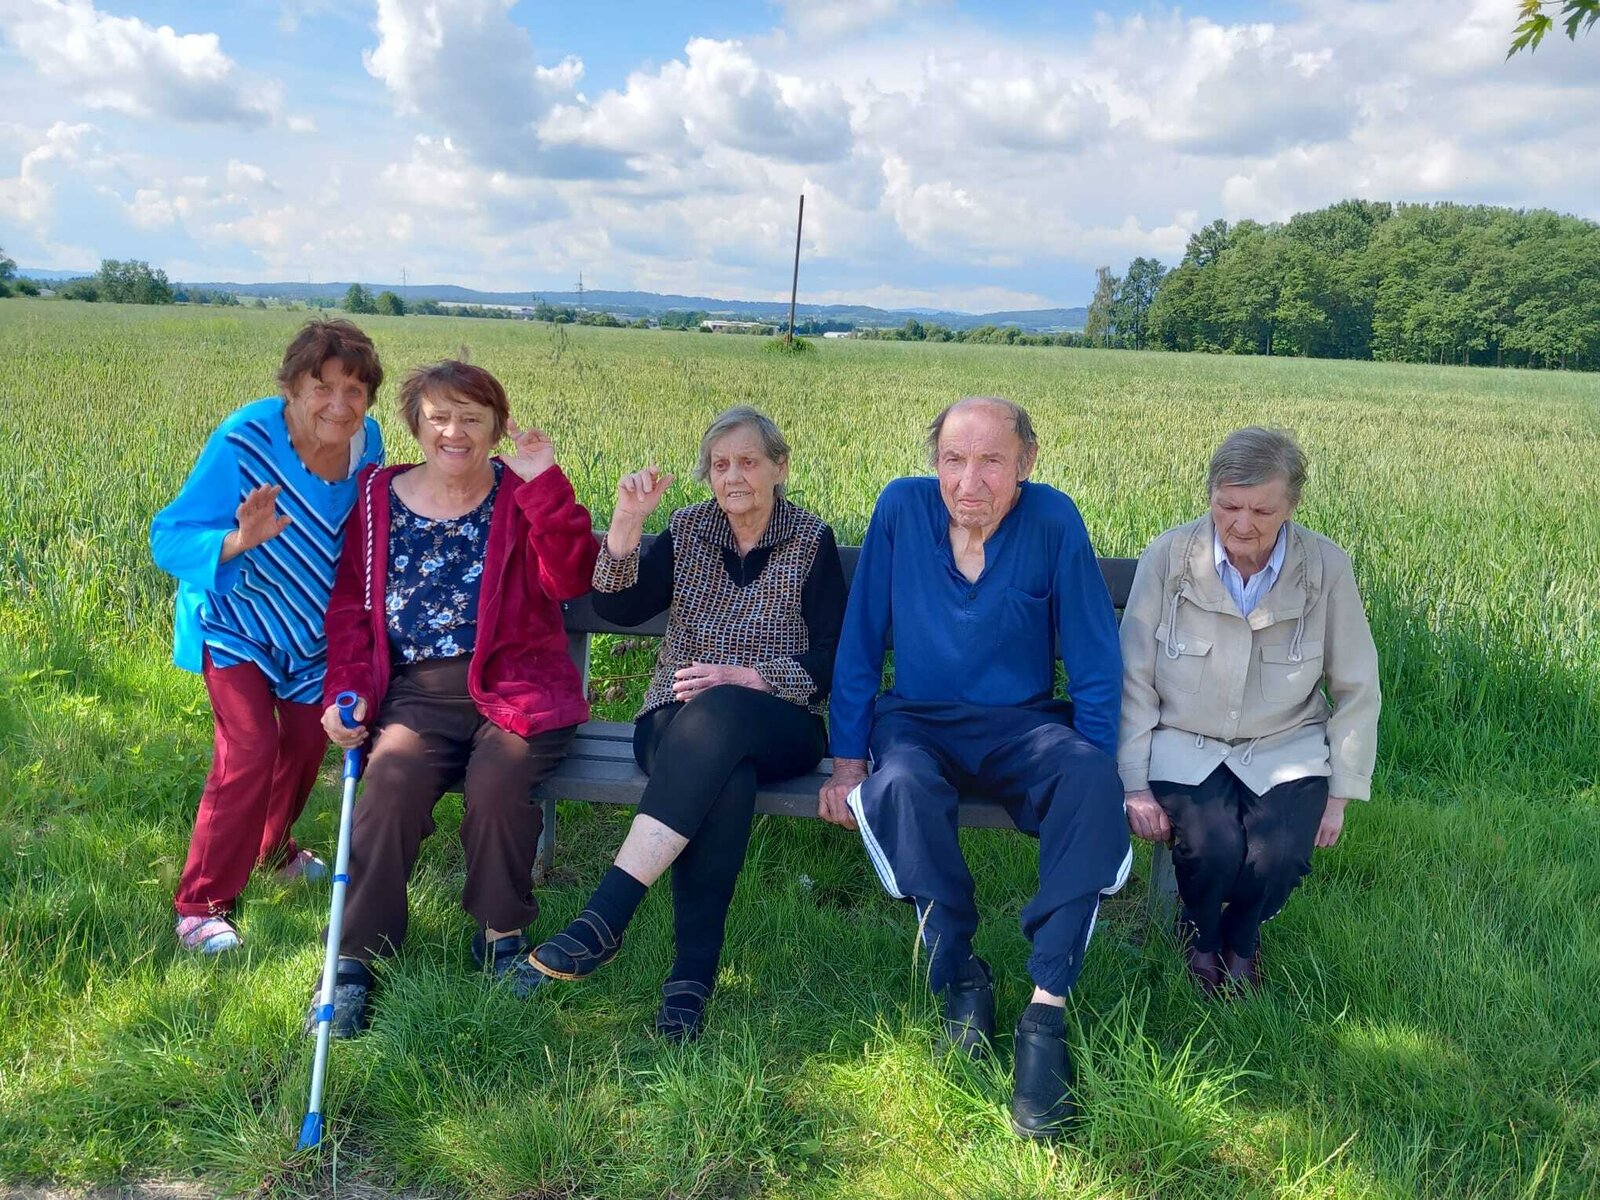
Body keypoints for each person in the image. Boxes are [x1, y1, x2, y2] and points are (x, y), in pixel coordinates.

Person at [818, 396, 1130, 1140]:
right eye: (953, 460)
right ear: (935, 463)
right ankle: (960, 973)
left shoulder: (1053, 520)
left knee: (1090, 781)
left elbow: (1094, 657)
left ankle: (1045, 1012)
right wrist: (847, 760)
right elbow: (859, 641)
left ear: (1026, 463)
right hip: (918, 722)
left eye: (992, 460)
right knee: (898, 787)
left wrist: (1095, 764)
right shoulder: (901, 509)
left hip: (1024, 726)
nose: (969, 481)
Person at [528, 407, 846, 1043]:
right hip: (672, 722)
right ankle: (690, 983)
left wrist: (751, 677)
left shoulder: (812, 540)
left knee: (723, 710)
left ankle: (607, 915)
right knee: (725, 773)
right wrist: (627, 522)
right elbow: (618, 609)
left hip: (781, 720)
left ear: (779, 467)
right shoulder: (689, 529)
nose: (733, 477)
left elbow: (834, 655)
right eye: (720, 465)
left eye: (748, 462)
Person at [312, 360, 597, 1035]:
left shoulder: (522, 491)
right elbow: (350, 610)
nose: (454, 432)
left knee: (498, 781)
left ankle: (501, 936)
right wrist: (344, 690)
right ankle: (355, 955)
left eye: (472, 418)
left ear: (497, 427)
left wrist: (545, 485)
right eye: (439, 417)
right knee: (389, 782)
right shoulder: (377, 497)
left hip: (518, 685)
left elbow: (570, 578)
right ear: (415, 425)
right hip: (417, 693)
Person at [151, 318, 386, 955]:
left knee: (309, 743)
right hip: (239, 624)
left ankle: (272, 849)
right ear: (291, 387)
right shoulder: (244, 439)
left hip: (314, 633)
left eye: (355, 390)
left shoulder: (369, 443)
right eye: (322, 387)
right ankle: (201, 904)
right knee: (249, 747)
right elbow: (168, 536)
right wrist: (237, 540)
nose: (339, 405)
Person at [1119, 426, 1379, 996]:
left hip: (1286, 744)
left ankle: (1241, 940)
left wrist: (1341, 790)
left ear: (1291, 506)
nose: (1241, 524)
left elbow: (1357, 685)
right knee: (1213, 846)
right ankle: (1202, 939)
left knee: (1277, 855)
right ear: (1210, 494)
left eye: (1261, 510)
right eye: (1227, 505)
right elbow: (1133, 677)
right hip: (1184, 740)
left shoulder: (1325, 567)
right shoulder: (1170, 557)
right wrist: (1134, 783)